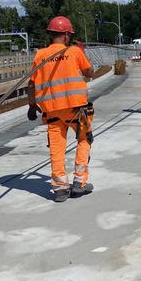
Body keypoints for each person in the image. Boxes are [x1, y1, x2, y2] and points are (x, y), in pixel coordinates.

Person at [27, 16, 95, 203]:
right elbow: (90, 73)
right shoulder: (74, 51)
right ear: (66, 35)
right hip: (76, 110)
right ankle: (79, 183)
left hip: (52, 112)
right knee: (84, 140)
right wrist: (82, 52)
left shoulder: (40, 55)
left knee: (57, 150)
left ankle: (59, 189)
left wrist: (32, 107)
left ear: (51, 34)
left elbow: (31, 85)